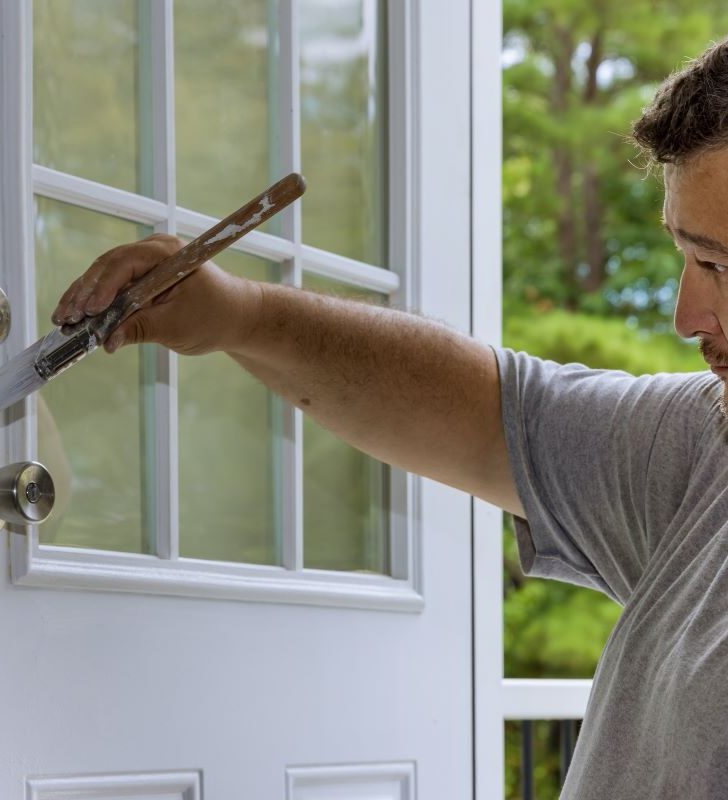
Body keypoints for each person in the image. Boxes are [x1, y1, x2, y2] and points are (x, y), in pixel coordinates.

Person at [52, 38, 728, 799]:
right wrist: (238, 314)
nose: (687, 313)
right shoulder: (704, 445)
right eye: (686, 256)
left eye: (720, 266)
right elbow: (486, 410)